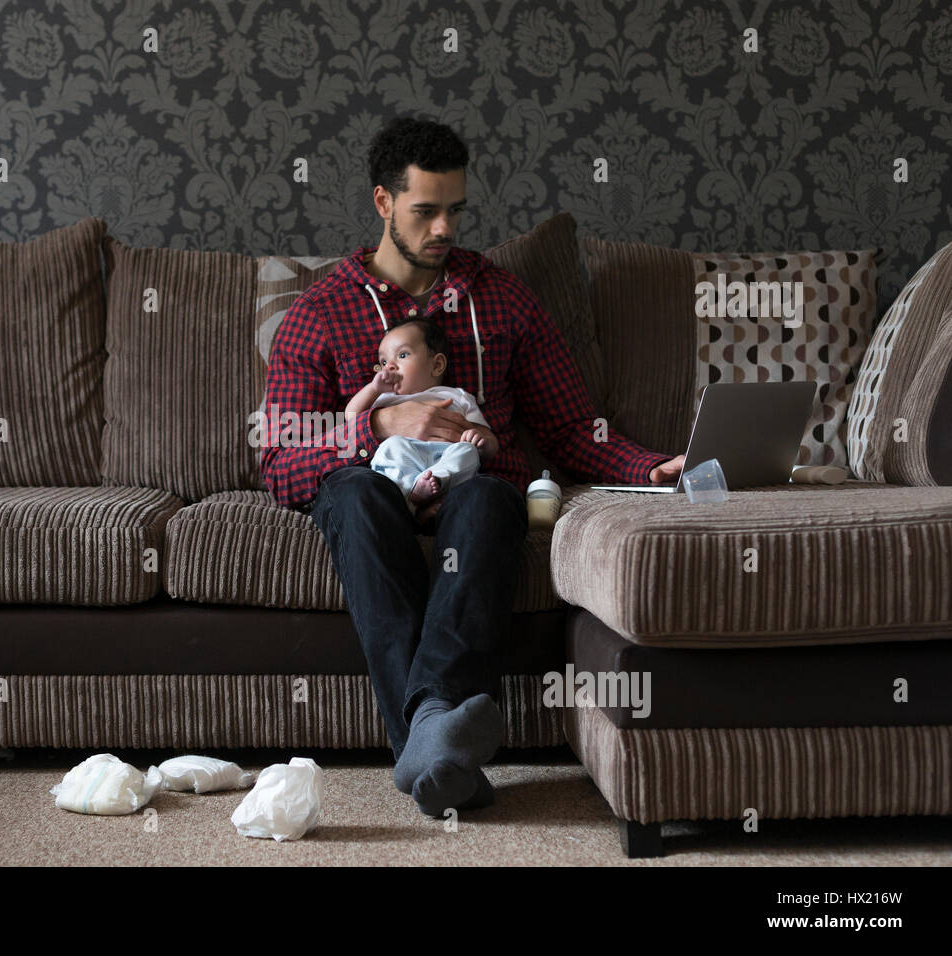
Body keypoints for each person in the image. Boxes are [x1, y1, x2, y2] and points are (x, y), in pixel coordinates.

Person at [259, 116, 684, 817]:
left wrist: (651, 467)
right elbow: (280, 457)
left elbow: (573, 428)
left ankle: (425, 745)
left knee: (491, 499)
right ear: (382, 204)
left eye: (454, 209)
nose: (443, 229)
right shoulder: (322, 310)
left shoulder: (504, 299)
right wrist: (374, 427)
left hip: (474, 494)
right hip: (370, 493)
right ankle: (438, 739)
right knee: (360, 494)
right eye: (425, 211)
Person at [345, 319, 495, 520]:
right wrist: (373, 389)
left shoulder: (458, 396)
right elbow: (351, 417)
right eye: (382, 362)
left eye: (402, 355)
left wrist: (479, 439)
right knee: (390, 447)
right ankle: (413, 497)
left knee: (467, 452)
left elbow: (489, 441)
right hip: (405, 459)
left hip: (444, 456)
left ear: (437, 365)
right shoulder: (385, 399)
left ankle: (435, 489)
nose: (389, 366)